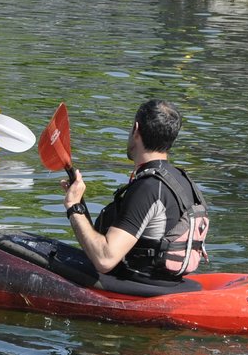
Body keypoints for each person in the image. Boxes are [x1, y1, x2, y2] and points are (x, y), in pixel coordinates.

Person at [59, 99, 210, 283]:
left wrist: (73, 207)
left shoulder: (148, 188)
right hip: (169, 282)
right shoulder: (183, 181)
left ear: (136, 129)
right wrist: (80, 203)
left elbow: (105, 259)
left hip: (140, 288)